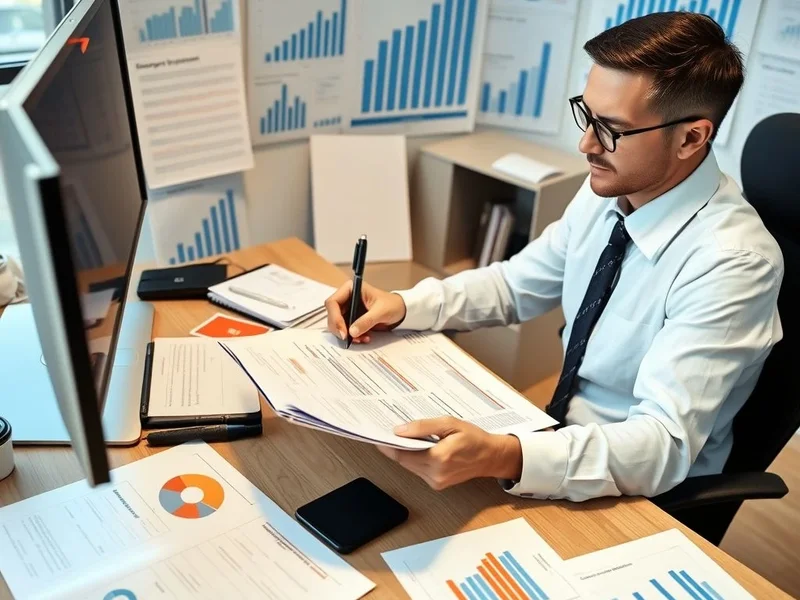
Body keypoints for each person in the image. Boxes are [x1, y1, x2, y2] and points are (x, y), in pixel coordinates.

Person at [325, 12, 784, 502]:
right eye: (586, 115)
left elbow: (661, 446)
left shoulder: (733, 264)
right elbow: (515, 285)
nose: (585, 144)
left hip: (642, 494)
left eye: (611, 130)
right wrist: (403, 305)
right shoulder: (609, 190)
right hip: (557, 440)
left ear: (692, 137)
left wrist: (506, 455)